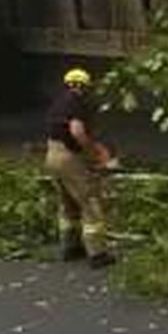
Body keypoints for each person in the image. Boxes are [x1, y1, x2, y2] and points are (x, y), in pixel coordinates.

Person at [45, 68, 116, 269]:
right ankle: (97, 253)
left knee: (68, 203)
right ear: (85, 86)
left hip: (51, 154)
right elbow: (77, 131)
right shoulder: (77, 103)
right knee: (90, 201)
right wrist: (92, 152)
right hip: (69, 157)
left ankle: (70, 246)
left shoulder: (58, 103)